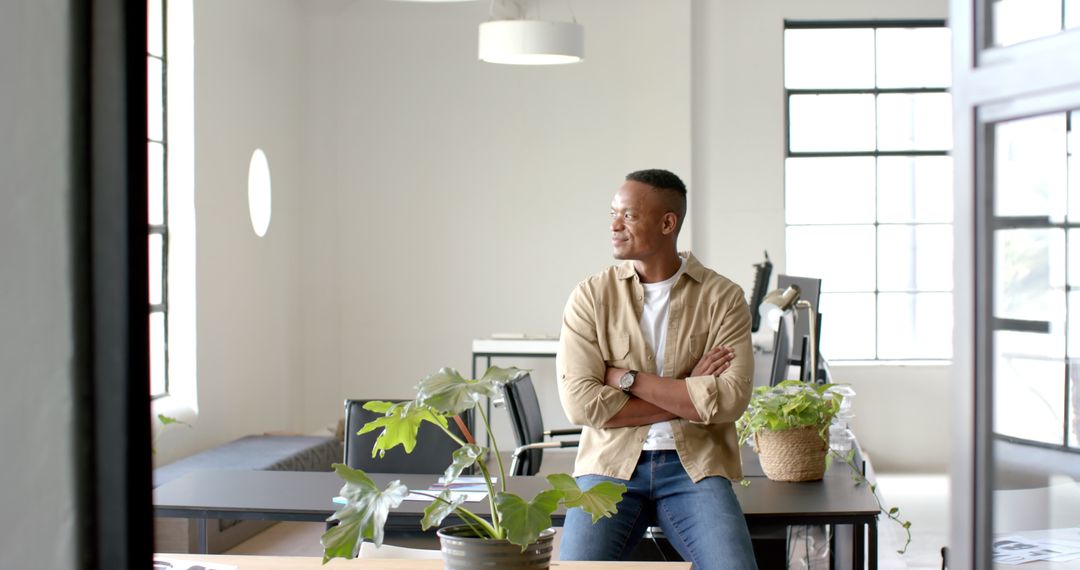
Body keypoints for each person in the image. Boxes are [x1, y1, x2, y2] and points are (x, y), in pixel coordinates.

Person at [555, 169, 757, 569]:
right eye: (613, 213)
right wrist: (687, 392)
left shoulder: (723, 297)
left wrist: (625, 379)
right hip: (609, 467)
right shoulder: (591, 296)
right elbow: (580, 405)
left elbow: (730, 400)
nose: (614, 225)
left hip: (695, 467)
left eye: (628, 215)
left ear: (668, 223)